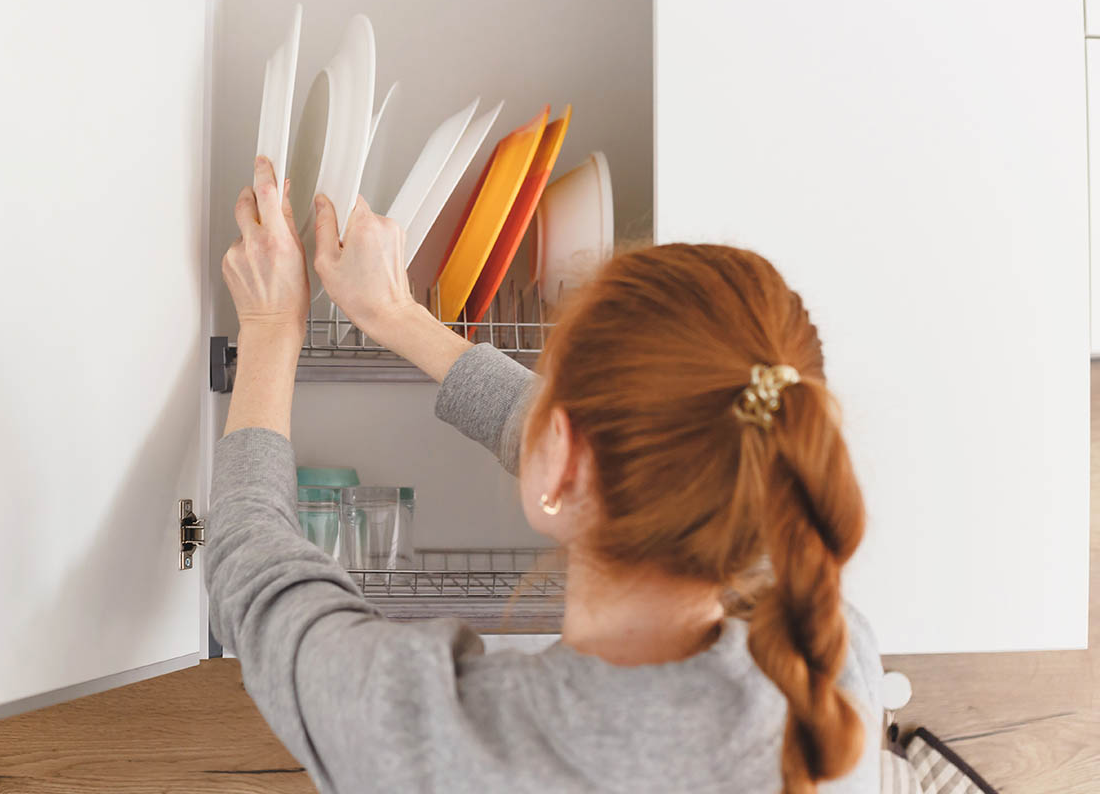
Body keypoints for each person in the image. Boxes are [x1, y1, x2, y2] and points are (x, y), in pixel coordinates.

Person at [207, 156, 883, 794]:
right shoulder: (828, 686)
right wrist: (401, 319)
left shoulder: (428, 735)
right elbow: (629, 447)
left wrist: (269, 325)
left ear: (560, 451)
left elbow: (257, 573)